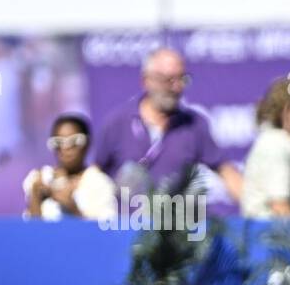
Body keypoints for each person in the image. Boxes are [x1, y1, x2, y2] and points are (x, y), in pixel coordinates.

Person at [95, 47, 243, 201]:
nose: (176, 87)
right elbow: (93, 174)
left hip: (175, 222)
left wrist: (257, 211)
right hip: (126, 223)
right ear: (146, 81)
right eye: (168, 80)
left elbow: (226, 171)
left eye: (181, 79)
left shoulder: (193, 124)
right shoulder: (118, 123)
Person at [22, 113, 118, 221]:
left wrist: (72, 208)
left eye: (75, 141)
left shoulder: (99, 183)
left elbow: (105, 234)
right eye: (58, 142)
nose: (66, 148)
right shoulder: (41, 178)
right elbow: (32, 233)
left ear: (88, 143)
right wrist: (35, 198)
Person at [241, 76, 290, 218]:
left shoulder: (275, 143)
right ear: (289, 111)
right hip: (270, 238)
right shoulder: (276, 147)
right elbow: (280, 209)